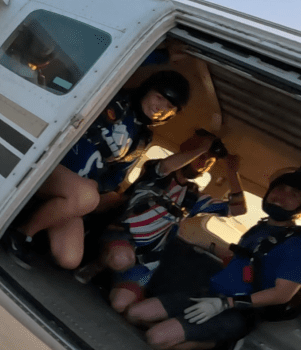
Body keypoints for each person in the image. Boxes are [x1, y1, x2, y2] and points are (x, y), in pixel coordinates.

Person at [127, 161, 301, 350]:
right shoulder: (260, 229)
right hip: (211, 295)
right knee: (134, 314)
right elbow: (243, 261)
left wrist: (224, 304)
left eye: (294, 194)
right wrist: (207, 246)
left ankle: (219, 345)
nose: (282, 196)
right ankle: (178, 330)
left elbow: (282, 295)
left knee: (156, 338)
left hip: (240, 312)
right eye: (279, 188)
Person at [8, 70, 191, 270]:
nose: (161, 108)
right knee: (87, 196)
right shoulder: (112, 99)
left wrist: (102, 187)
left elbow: (117, 176)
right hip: (49, 168)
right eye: (159, 98)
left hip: (77, 192)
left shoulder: (142, 139)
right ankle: (22, 232)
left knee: (70, 259)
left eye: (170, 107)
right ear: (147, 89)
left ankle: (39, 216)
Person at [91, 130, 247, 314]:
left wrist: (232, 173)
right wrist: (201, 148)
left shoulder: (192, 196)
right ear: (186, 150)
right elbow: (165, 167)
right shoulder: (156, 170)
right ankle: (95, 266)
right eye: (200, 155)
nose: (202, 162)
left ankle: (112, 282)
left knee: (120, 304)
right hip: (121, 237)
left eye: (208, 162)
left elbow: (238, 209)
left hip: (147, 259)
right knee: (121, 259)